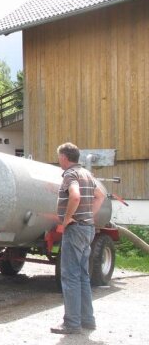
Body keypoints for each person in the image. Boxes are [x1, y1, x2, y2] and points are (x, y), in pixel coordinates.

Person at [51, 142, 105, 335]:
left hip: (75, 229)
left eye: (59, 157)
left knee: (70, 276)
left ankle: (72, 323)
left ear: (65, 157)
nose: (59, 161)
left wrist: (67, 219)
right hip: (88, 228)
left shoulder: (70, 174)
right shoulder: (87, 174)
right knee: (82, 275)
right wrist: (89, 215)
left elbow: (74, 196)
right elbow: (100, 196)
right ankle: (87, 320)